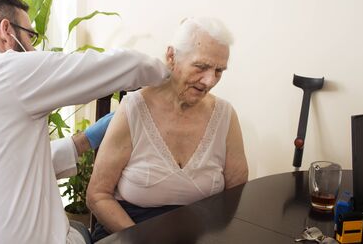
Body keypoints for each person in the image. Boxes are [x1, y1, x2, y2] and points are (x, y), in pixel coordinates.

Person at [0, 0, 170, 244]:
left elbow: (3, 164)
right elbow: (119, 66)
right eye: (31, 36)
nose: (33, 48)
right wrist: (170, 72)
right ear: (6, 31)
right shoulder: (7, 70)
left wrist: (83, 140)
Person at [86, 17, 249, 241]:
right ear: (172, 57)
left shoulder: (225, 116)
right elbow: (97, 196)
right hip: (129, 233)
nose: (210, 81)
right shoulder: (133, 108)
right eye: (201, 67)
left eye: (219, 71)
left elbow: (236, 197)